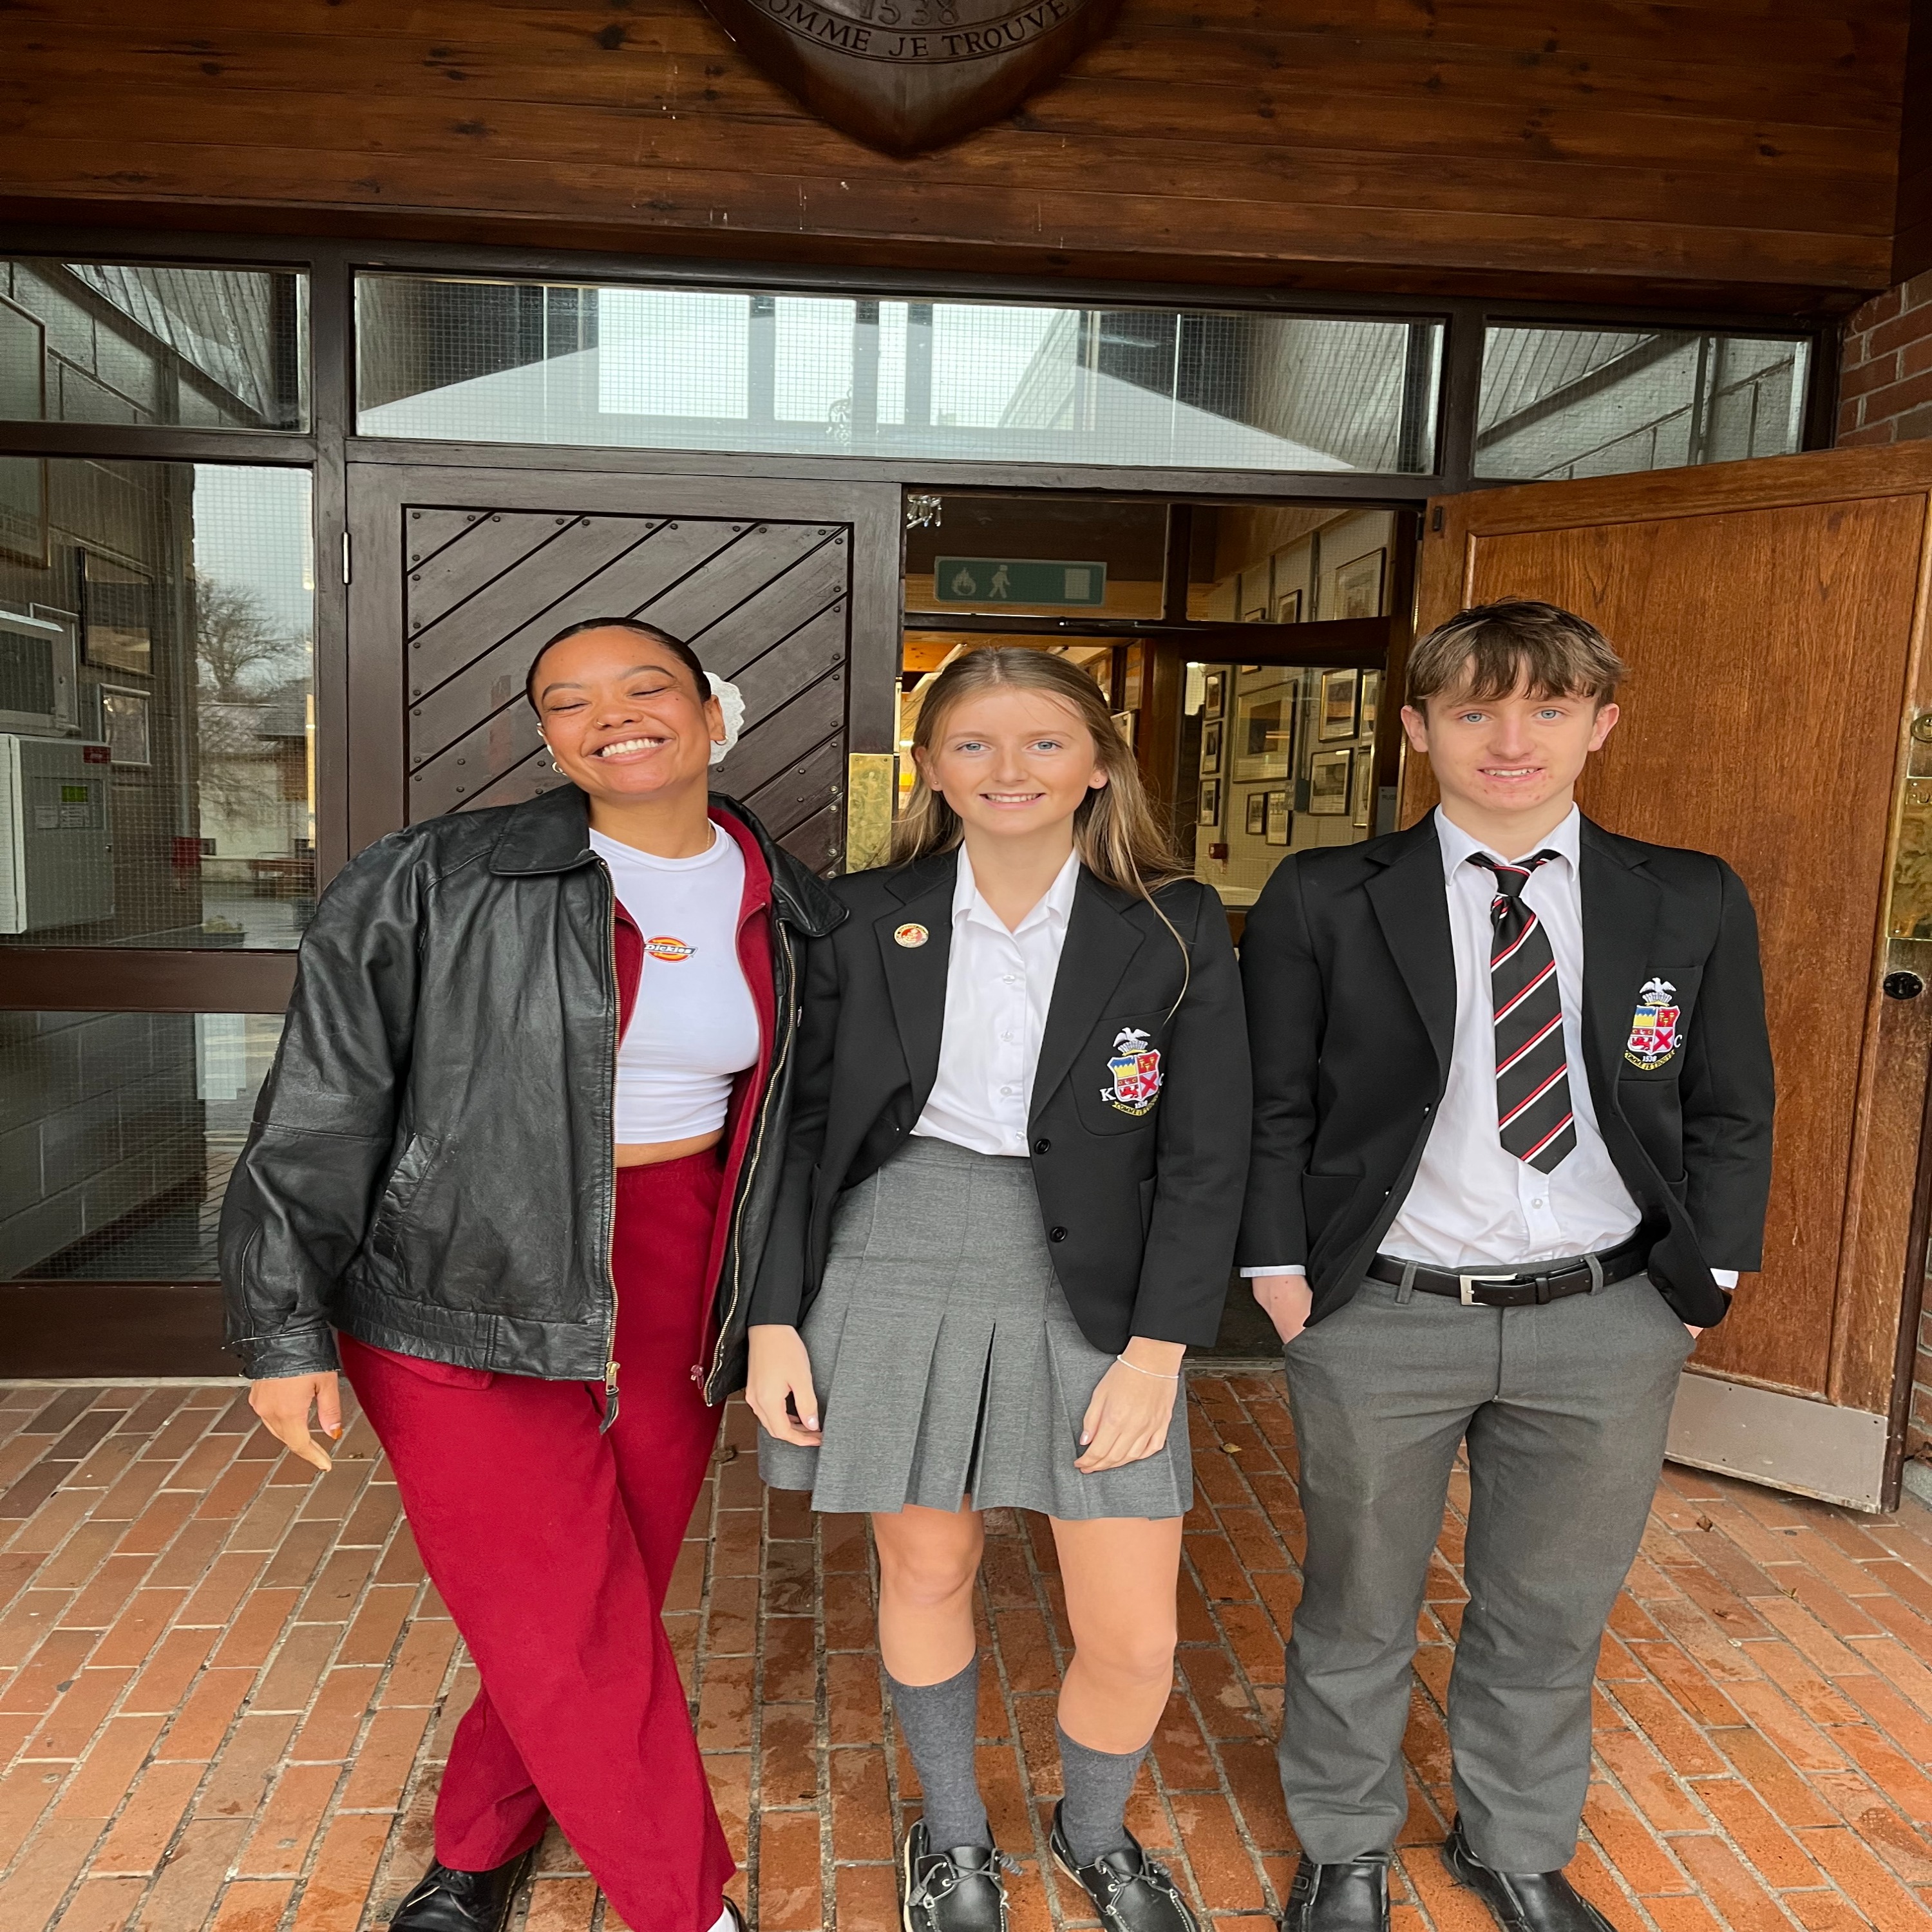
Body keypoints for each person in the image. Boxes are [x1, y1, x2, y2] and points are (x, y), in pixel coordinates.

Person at [220, 617, 844, 1932]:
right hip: (458, 1271)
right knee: (562, 1611)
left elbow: (794, 1130)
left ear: (712, 713)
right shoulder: (435, 877)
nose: (612, 716)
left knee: (603, 1593)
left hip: (677, 1263)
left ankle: (475, 1847)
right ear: (549, 740)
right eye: (569, 701)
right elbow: (321, 1105)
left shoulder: (789, 903)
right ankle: (687, 1908)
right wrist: (283, 1329)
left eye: (645, 687)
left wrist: (779, 1311)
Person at [1240, 600, 1774, 1932]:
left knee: (1551, 1605)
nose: (1511, 739)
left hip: (1605, 1312)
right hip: (1384, 1310)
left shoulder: (1689, 895)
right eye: (1475, 709)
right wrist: (1280, 1271)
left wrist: (1710, 1279)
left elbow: (1731, 1100)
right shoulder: (1326, 895)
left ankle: (1514, 1842)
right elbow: (1272, 1100)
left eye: (1548, 707)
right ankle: (1345, 1843)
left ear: (1602, 725)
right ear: (1419, 730)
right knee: (1359, 1598)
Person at [745, 647, 1249, 1932]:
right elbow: (798, 1133)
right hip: (900, 1245)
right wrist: (775, 1319)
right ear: (930, 767)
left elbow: (1209, 1153)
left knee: (1134, 1633)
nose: (1008, 769)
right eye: (973, 742)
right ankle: (957, 1836)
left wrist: (1159, 1351)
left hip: (1100, 1279)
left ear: (1099, 763)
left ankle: (1096, 1829)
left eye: (1044, 742)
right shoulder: (861, 915)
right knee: (927, 1570)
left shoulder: (1174, 922)